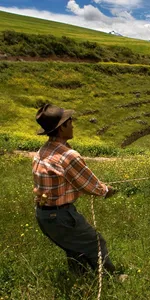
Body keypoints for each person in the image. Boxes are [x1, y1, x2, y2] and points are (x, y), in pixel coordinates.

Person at [32, 104, 118, 275]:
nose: (72, 125)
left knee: (73, 247)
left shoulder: (42, 151)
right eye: (69, 122)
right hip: (61, 216)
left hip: (44, 215)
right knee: (96, 243)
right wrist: (106, 190)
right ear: (61, 127)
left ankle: (80, 277)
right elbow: (90, 186)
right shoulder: (67, 155)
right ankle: (110, 278)